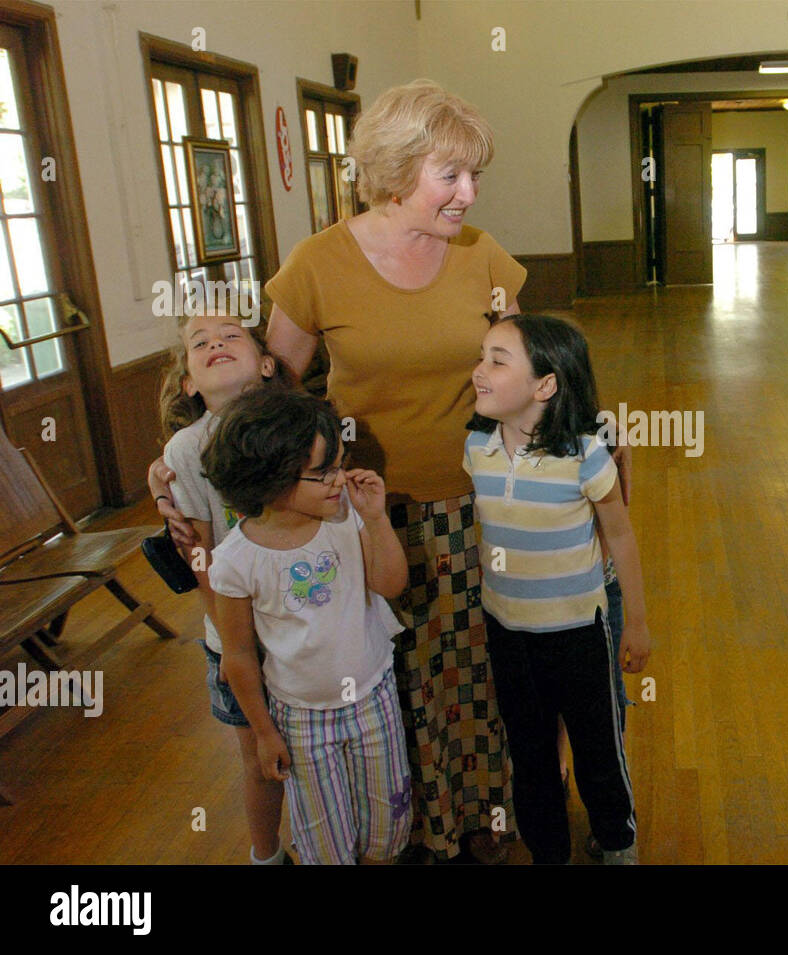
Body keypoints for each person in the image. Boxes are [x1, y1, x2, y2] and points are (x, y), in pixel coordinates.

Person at [259, 80, 537, 863]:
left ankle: (480, 813)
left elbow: (522, 370)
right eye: (450, 175)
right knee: (389, 678)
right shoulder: (319, 262)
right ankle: (403, 822)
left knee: (475, 671)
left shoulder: (481, 253)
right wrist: (177, 463)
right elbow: (268, 398)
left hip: (477, 500)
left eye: (475, 175)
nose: (469, 193)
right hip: (366, 511)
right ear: (393, 169)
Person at [464, 314, 650, 864]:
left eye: (498, 360)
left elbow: (620, 534)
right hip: (508, 632)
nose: (478, 370)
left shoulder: (586, 453)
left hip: (579, 633)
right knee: (530, 753)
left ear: (545, 385)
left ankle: (617, 843)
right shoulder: (476, 447)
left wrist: (634, 622)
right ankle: (549, 852)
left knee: (598, 750)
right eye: (482, 355)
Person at [204, 388, 412, 865]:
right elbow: (236, 655)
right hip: (300, 719)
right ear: (268, 477)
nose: (339, 479)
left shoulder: (344, 518)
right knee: (325, 842)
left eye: (340, 463)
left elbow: (391, 583)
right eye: (323, 472)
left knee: (387, 824)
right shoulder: (235, 561)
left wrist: (376, 520)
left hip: (372, 699)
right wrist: (263, 733)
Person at [157, 310, 296, 865]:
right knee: (258, 754)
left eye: (231, 336)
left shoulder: (299, 425)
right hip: (237, 633)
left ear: (266, 364)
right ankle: (266, 855)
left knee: (314, 744)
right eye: (200, 343)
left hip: (305, 618)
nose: (216, 343)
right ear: (190, 382)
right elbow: (199, 550)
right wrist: (228, 631)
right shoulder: (186, 451)